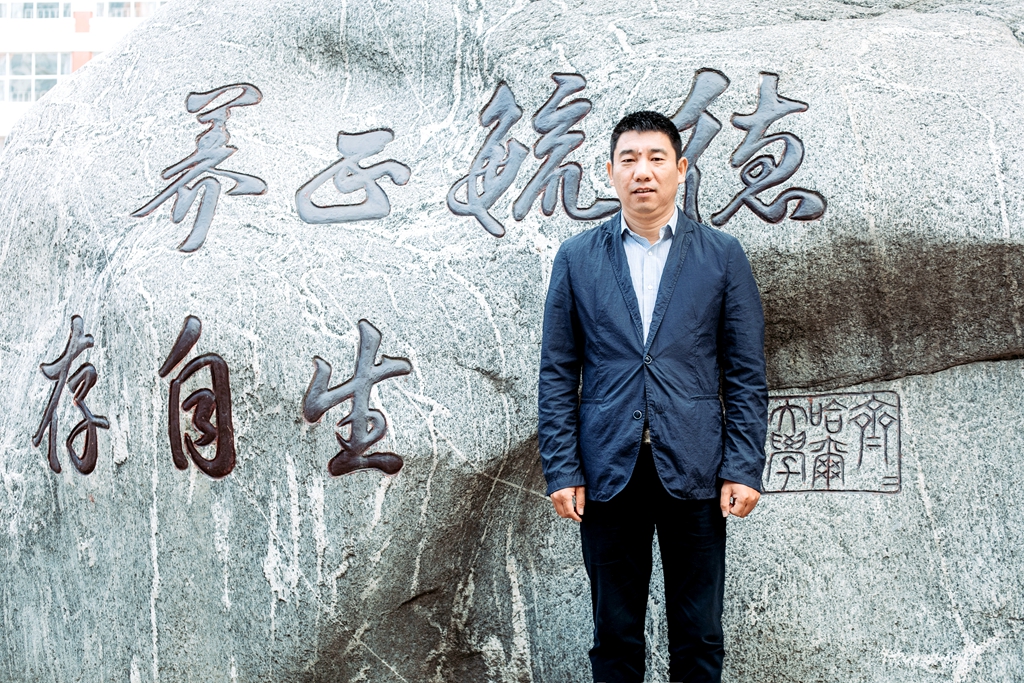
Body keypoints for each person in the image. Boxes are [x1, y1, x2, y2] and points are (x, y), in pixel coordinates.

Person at [538, 110, 768, 683]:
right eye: (630, 159)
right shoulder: (577, 258)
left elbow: (745, 373)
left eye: (656, 158)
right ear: (610, 172)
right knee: (614, 635)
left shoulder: (721, 255)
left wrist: (743, 466)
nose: (643, 171)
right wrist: (562, 469)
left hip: (696, 467)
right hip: (607, 469)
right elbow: (558, 373)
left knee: (699, 633)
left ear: (681, 169)